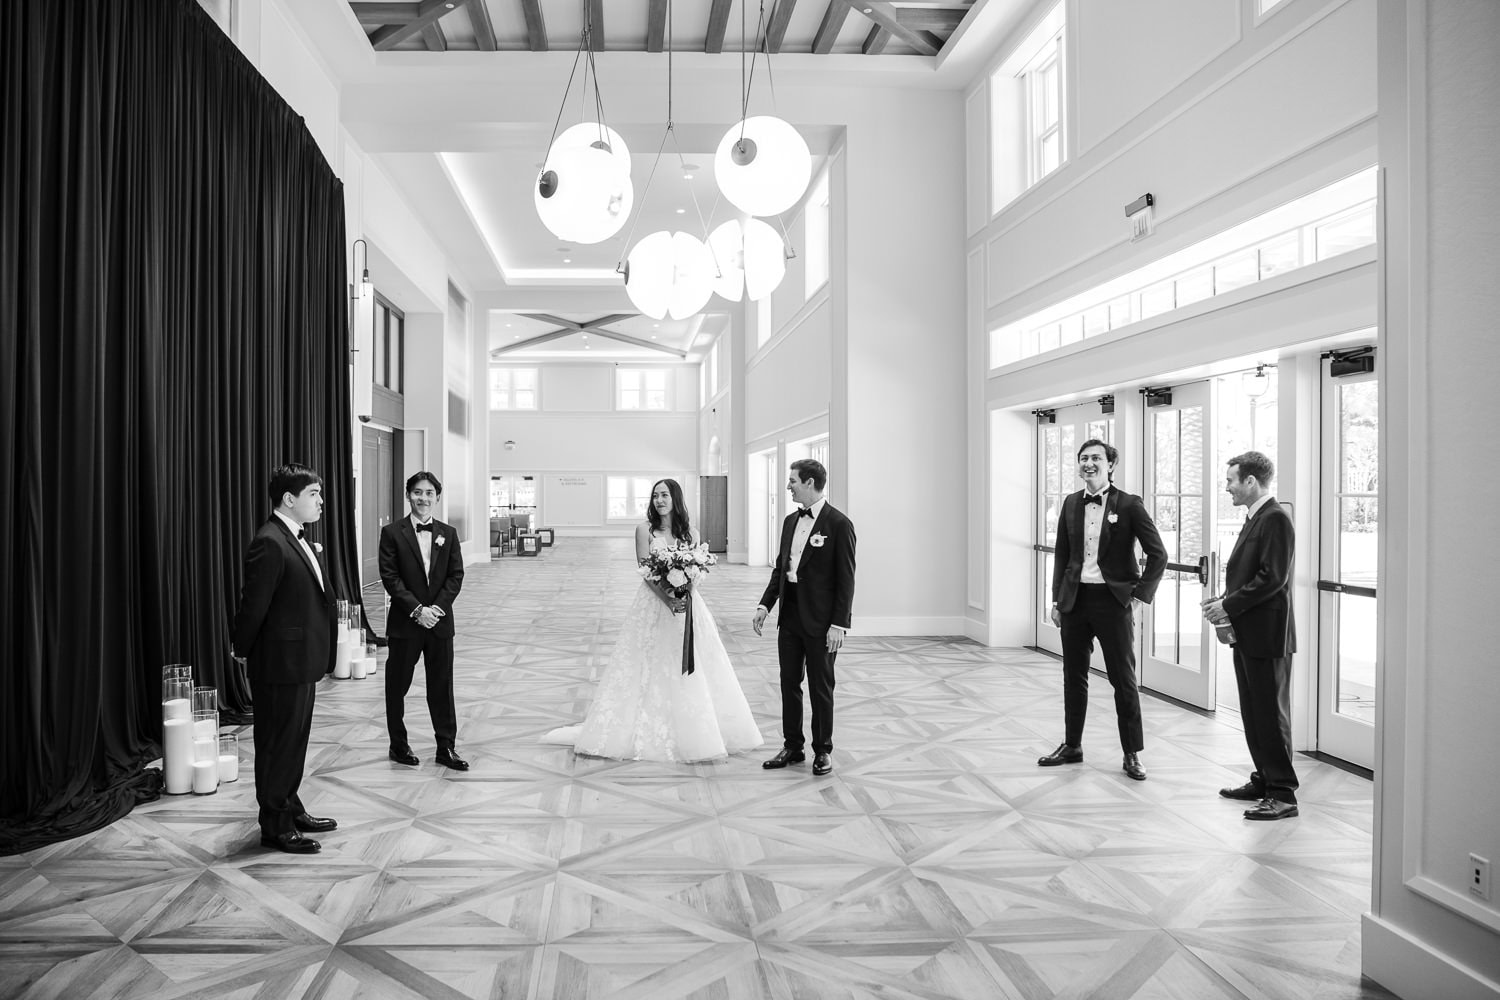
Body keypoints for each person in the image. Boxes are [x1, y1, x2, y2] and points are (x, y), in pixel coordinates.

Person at [543, 478, 762, 761]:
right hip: (653, 605)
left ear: (676, 499)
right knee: (648, 663)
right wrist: (668, 599)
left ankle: (696, 729)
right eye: (655, 495)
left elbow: (697, 571)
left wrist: (685, 594)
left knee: (690, 664)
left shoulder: (691, 533)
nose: (659, 500)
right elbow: (645, 572)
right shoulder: (643, 530)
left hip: (688, 607)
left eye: (665, 495)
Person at [1040, 439, 1167, 781]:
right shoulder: (1070, 503)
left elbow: (1159, 554)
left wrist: (1140, 596)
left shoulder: (1129, 505)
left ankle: (1132, 753)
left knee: (1123, 680)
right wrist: (1057, 600)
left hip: (1114, 604)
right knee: (1073, 677)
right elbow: (1063, 557)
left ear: (1111, 464)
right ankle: (1072, 745)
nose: (1089, 464)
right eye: (1083, 458)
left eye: (1096, 458)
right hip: (1075, 602)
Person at [231, 463, 339, 855]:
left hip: (300, 660)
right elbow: (253, 605)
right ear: (289, 500)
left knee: (294, 742)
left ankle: (290, 807)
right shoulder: (270, 541)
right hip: (280, 663)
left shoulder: (293, 535)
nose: (321, 502)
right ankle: (274, 826)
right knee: (277, 744)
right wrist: (241, 648)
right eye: (314, 494)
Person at [1202, 451, 1299, 820]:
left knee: (1271, 716)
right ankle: (1263, 779)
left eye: (1231, 480)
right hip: (1247, 632)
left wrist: (1230, 605)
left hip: (1268, 634)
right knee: (1254, 713)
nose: (1227, 487)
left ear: (1250, 482)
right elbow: (1251, 575)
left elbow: (1272, 578)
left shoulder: (1275, 518)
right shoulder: (1254, 517)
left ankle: (1283, 794)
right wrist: (1226, 601)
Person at [753, 459, 856, 777]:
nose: (789, 486)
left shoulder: (839, 524)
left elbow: (846, 579)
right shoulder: (788, 522)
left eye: (793, 481)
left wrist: (839, 624)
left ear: (810, 483)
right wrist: (765, 605)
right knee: (788, 683)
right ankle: (793, 746)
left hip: (823, 623)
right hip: (791, 618)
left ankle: (822, 750)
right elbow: (780, 568)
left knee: (821, 687)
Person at [380, 471, 468, 771]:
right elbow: (390, 578)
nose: (423, 498)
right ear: (408, 495)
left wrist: (436, 610)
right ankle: (398, 745)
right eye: (418, 492)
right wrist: (418, 610)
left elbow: (456, 576)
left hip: (440, 625)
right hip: (406, 624)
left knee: (442, 687)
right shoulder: (392, 533)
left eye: (429, 493)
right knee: (397, 686)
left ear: (437, 498)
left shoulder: (449, 533)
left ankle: (446, 747)